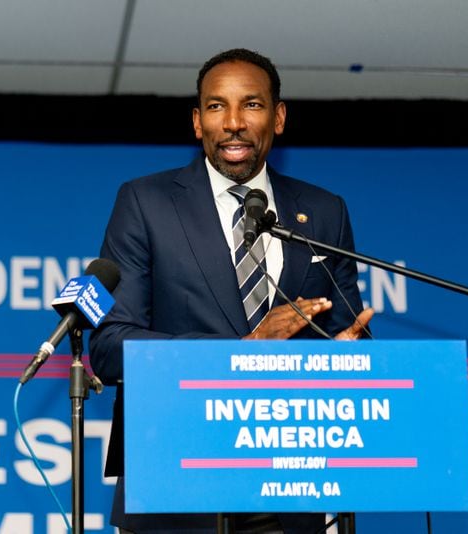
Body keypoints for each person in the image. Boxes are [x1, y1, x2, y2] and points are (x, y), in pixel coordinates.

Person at [89, 48, 373, 533]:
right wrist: (242, 351)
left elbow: (349, 331)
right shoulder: (145, 203)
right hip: (178, 483)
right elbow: (110, 346)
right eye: (217, 106)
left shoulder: (325, 212)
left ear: (279, 117)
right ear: (197, 122)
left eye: (253, 105)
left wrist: (347, 357)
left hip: (294, 485)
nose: (234, 122)